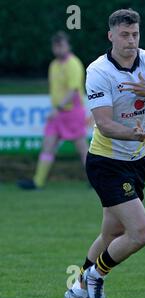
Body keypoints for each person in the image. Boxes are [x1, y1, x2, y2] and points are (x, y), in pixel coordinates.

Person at [64, 8, 145, 298]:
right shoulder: (98, 71)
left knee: (111, 235)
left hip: (137, 160)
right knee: (141, 233)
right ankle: (95, 276)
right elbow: (104, 123)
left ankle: (77, 290)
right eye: (124, 35)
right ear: (110, 35)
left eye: (135, 34)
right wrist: (133, 133)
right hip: (107, 162)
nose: (131, 40)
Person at [17, 31, 88, 190]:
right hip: (57, 113)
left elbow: (73, 91)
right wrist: (57, 109)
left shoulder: (73, 64)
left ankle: (95, 180)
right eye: (55, 46)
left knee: (82, 148)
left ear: (68, 46)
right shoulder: (53, 65)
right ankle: (38, 182)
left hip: (72, 112)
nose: (58, 49)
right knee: (47, 145)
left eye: (61, 45)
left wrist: (59, 107)